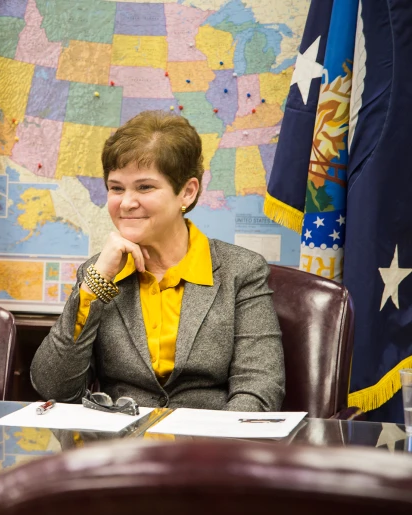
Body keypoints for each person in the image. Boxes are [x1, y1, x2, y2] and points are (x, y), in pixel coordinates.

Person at [30, 111, 285, 411]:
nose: (126, 203)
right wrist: (95, 285)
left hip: (209, 446)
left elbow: (259, 387)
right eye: (116, 188)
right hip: (120, 447)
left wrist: (215, 450)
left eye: (145, 187)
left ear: (187, 193)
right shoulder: (98, 273)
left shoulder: (240, 270)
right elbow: (53, 388)